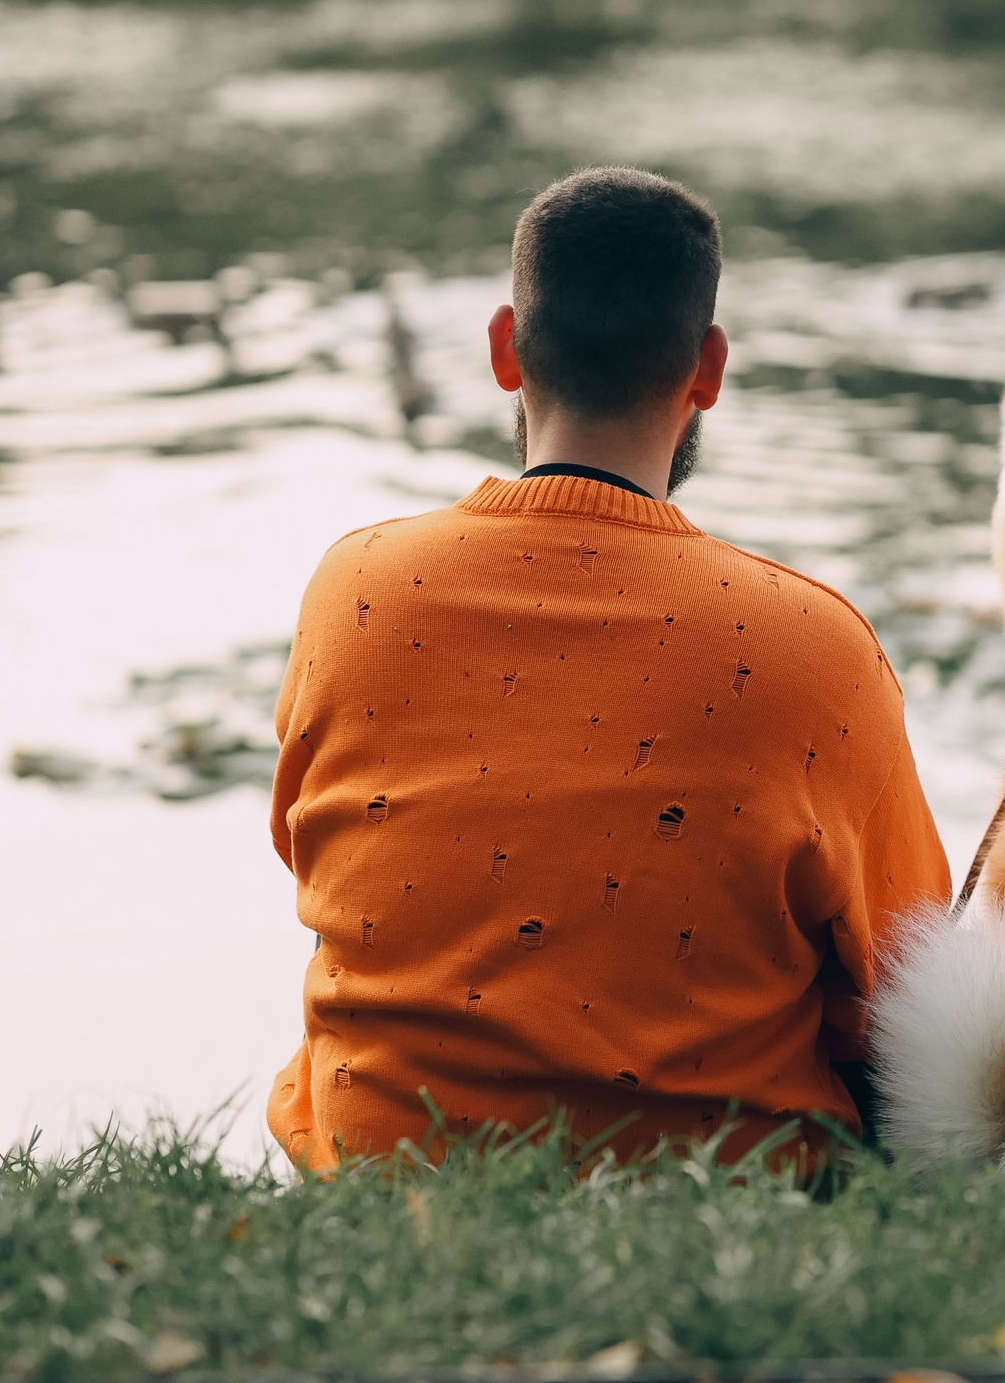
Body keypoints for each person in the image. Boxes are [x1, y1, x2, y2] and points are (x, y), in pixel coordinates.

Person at [266, 167, 950, 1172]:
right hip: (720, 1182)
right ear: (708, 368)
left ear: (505, 348)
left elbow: (309, 852)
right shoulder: (814, 646)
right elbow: (907, 973)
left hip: (388, 1166)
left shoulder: (355, 592)